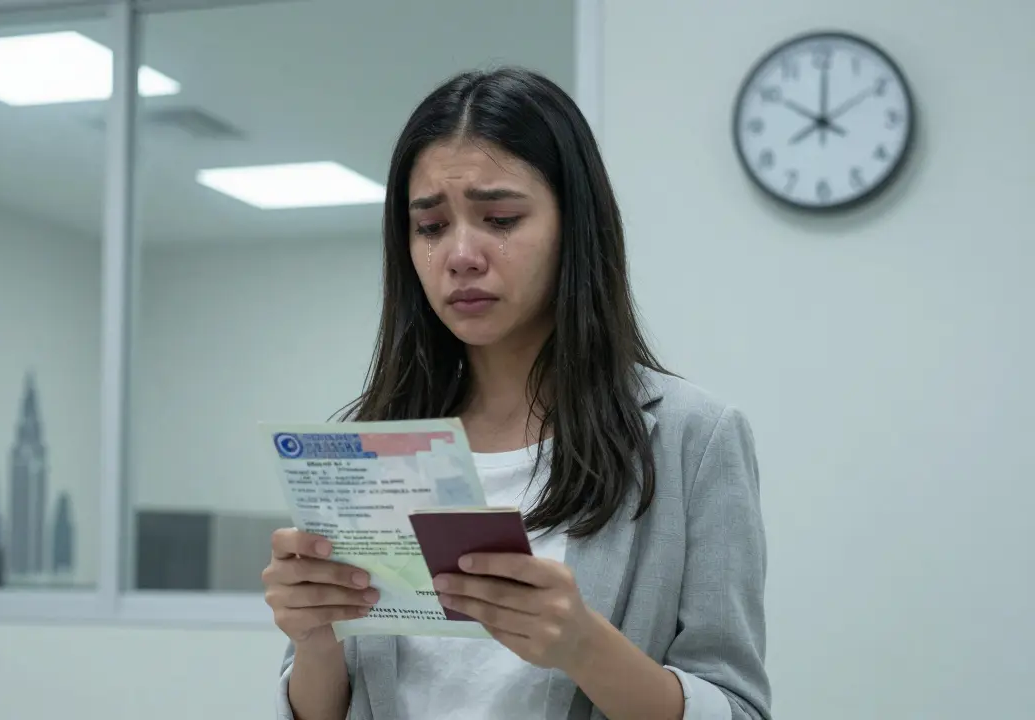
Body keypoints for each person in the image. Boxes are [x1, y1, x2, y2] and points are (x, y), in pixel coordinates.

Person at [261, 66, 770, 720]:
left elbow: (739, 709)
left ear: (574, 226)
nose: (462, 254)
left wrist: (585, 646)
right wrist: (315, 639)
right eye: (430, 227)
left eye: (499, 218)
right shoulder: (369, 444)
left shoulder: (692, 438)